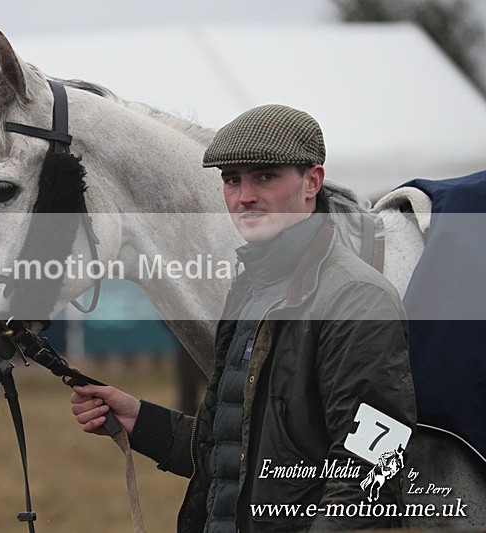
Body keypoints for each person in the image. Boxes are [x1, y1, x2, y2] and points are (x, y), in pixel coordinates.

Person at [71, 104, 417, 531]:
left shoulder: (357, 299)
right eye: (232, 179)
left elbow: (370, 471)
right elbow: (228, 450)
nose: (244, 196)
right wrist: (140, 420)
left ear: (313, 181)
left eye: (265, 176)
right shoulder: (248, 289)